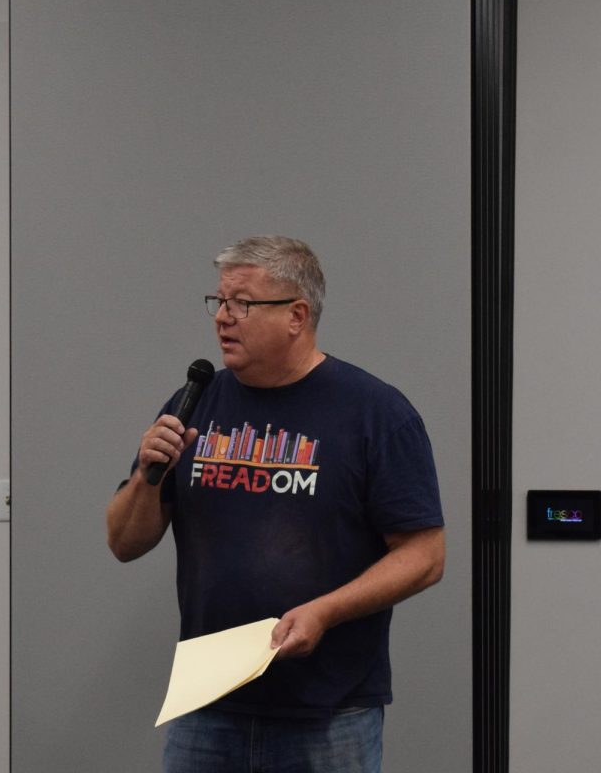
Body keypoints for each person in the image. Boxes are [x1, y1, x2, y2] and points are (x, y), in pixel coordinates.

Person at [107, 235, 445, 773]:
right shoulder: (194, 404)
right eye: (218, 302)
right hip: (208, 703)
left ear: (297, 315)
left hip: (329, 713)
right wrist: (148, 479)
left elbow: (425, 556)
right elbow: (124, 542)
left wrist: (325, 611)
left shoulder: (374, 413)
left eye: (242, 303)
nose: (222, 318)